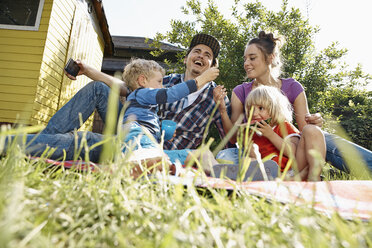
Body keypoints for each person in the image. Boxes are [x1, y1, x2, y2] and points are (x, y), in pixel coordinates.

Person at [3, 33, 229, 167]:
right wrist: (90, 70)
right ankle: (41, 144)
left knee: (87, 141)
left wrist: (222, 105)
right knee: (99, 89)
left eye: (208, 55)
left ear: (212, 65)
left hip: (159, 152)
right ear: (188, 57)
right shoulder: (168, 81)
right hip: (132, 132)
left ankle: (32, 146)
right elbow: (130, 90)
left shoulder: (216, 96)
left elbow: (231, 135)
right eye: (197, 51)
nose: (201, 56)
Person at [214, 31, 372, 173]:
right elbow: (234, 136)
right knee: (226, 155)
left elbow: (305, 131)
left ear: (271, 57)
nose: (246, 63)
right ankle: (261, 176)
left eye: (252, 58)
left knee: (322, 137)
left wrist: (314, 121)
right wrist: (222, 110)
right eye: (245, 59)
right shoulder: (241, 91)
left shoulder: (292, 87)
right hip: (253, 150)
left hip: (291, 147)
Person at [121, 58, 219, 169]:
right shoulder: (141, 93)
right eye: (159, 82)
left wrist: (162, 134)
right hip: (137, 137)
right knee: (154, 160)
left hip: (150, 146)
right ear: (142, 81)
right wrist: (200, 80)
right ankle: (136, 165)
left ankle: (220, 174)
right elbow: (170, 94)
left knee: (202, 154)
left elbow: (150, 131)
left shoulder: (145, 105)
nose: (162, 86)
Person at [243, 85, 325, 181]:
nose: (254, 114)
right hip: (270, 175)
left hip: (294, 169)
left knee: (311, 130)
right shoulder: (251, 135)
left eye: (261, 108)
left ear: (274, 109)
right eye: (251, 109)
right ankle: (294, 179)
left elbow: (294, 152)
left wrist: (271, 135)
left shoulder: (283, 126)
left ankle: (314, 176)